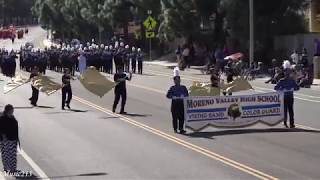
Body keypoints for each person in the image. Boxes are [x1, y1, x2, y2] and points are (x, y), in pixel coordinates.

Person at [0, 105, 19, 174]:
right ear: (8, 111)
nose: (13, 111)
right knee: (6, 154)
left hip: (13, 139)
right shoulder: (2, 118)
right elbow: (1, 130)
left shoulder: (12, 117)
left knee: (13, 155)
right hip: (6, 140)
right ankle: (6, 168)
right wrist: (4, 138)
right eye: (11, 110)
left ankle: (13, 168)